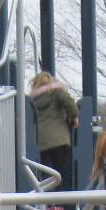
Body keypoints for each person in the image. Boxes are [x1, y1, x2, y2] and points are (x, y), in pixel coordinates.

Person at [28, 72, 78, 200]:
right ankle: (62, 203)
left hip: (42, 140)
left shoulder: (33, 99)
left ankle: (50, 203)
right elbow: (70, 104)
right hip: (60, 139)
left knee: (47, 173)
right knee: (61, 173)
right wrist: (74, 117)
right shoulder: (56, 92)